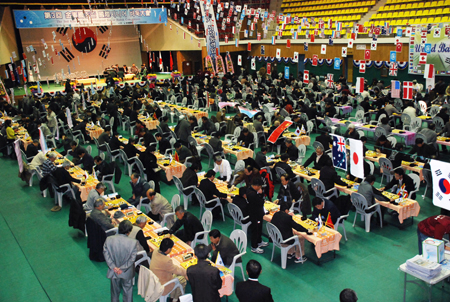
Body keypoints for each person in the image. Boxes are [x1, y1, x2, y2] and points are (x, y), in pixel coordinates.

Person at [103, 220, 138, 302]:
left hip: (113, 271)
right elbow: (132, 259)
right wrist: (122, 268)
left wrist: (114, 267)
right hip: (127, 272)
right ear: (129, 232)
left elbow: (106, 254)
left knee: (114, 292)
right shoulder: (133, 242)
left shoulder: (109, 239)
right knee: (128, 291)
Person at [247, 178, 268, 253]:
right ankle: (254, 246)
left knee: (259, 229)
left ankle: (259, 241)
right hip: (255, 215)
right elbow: (260, 202)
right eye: (260, 186)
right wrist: (261, 194)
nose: (260, 188)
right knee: (255, 230)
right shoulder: (252, 194)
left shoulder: (251, 190)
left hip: (258, 214)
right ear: (256, 186)